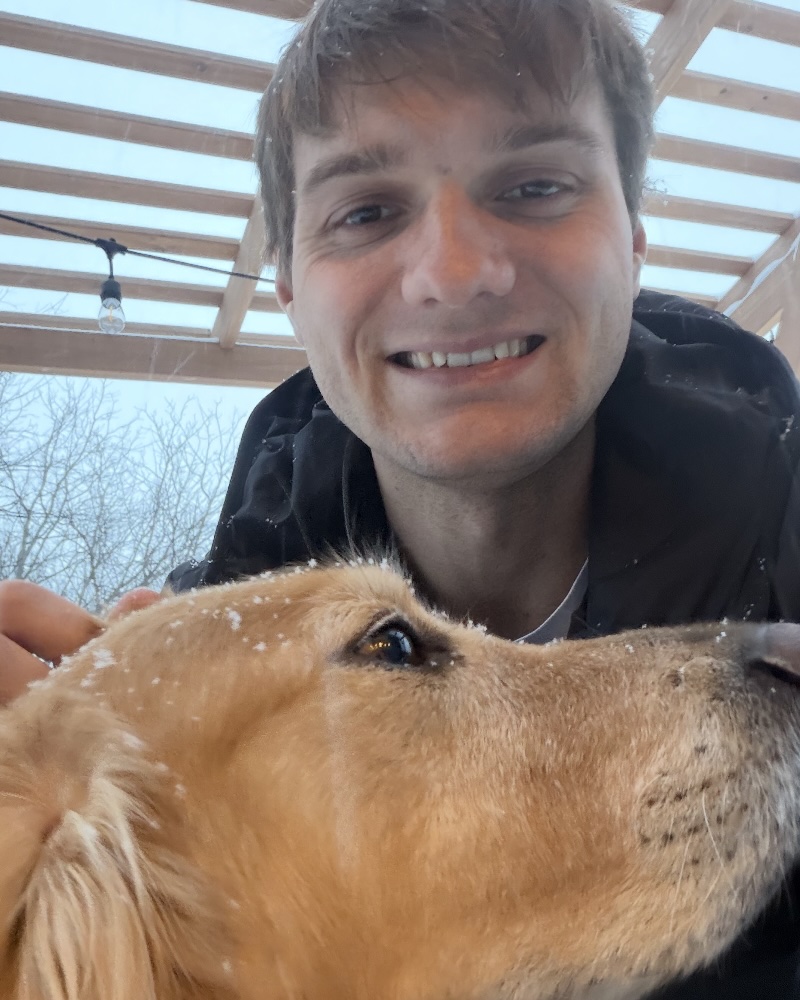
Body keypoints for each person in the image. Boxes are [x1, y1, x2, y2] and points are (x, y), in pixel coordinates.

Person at [2, 0, 799, 995]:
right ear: (289, 283)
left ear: (632, 240)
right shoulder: (178, 707)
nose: (456, 272)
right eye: (367, 211)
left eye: (537, 184)